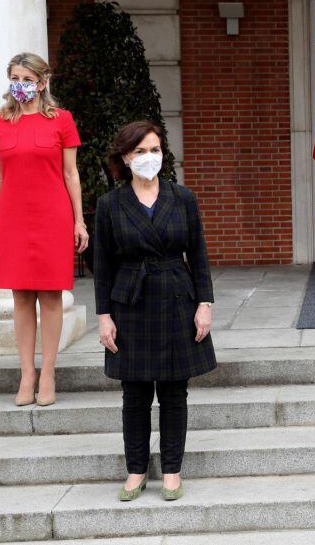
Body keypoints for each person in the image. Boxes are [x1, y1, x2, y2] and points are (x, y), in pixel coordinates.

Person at [93, 121, 216, 502]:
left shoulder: (183, 198)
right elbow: (103, 264)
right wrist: (103, 316)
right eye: (141, 152)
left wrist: (204, 304)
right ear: (125, 158)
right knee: (135, 394)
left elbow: (198, 255)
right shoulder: (110, 204)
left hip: (178, 298)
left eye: (155, 150)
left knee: (175, 392)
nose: (150, 158)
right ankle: (136, 470)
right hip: (129, 302)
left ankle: (173, 471)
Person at [0, 52, 87, 407]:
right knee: (21, 297)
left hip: (52, 217)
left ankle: (48, 373)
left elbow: (71, 174)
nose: (21, 85)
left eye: (28, 79)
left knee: (50, 296)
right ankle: (27, 372)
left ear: (43, 83)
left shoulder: (62, 120)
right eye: (15, 77)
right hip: (13, 217)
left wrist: (79, 220)